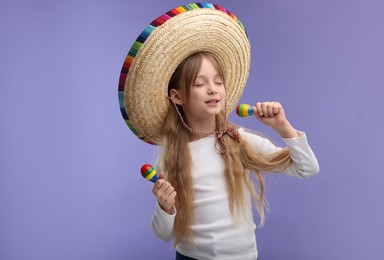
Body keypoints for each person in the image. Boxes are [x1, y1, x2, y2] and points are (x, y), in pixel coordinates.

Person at [118, 3, 319, 260]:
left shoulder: (239, 140)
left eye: (218, 82)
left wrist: (283, 126)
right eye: (200, 83)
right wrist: (164, 206)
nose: (213, 89)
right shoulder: (172, 156)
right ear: (176, 96)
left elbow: (307, 168)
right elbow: (163, 234)